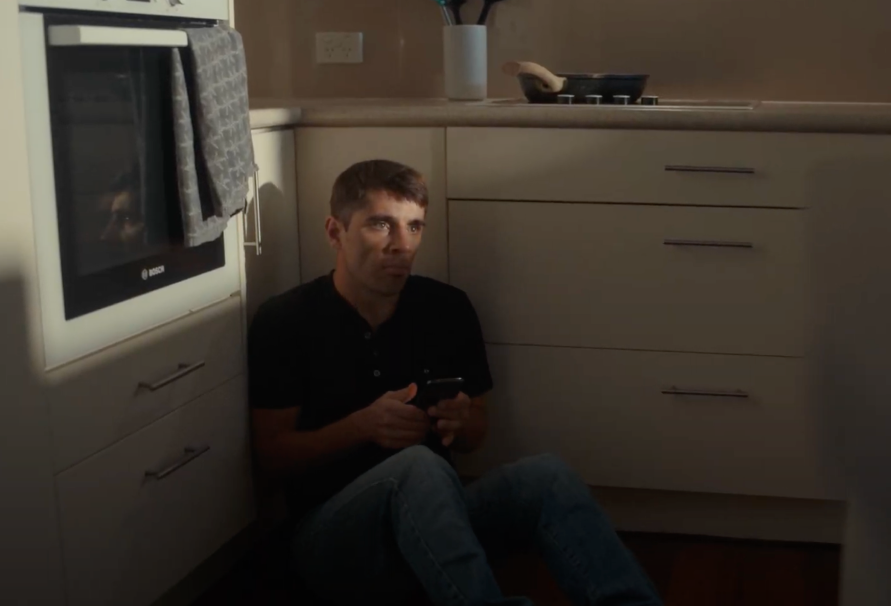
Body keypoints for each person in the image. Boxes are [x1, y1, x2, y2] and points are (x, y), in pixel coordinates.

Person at [248, 160, 662, 606]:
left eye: (414, 227)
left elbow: (474, 437)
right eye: (381, 225)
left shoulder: (447, 308)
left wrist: (461, 421)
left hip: (439, 523)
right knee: (418, 466)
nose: (401, 245)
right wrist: (362, 427)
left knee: (546, 475)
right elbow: (271, 458)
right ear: (335, 232)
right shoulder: (286, 320)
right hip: (333, 542)